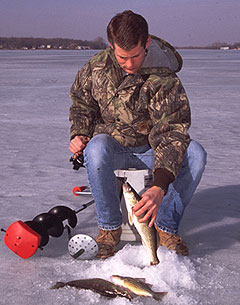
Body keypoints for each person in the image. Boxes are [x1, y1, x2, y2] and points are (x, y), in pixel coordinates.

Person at [68, 10, 207, 259]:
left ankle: (165, 228)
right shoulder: (96, 67)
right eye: (123, 57)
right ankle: (109, 229)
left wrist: (159, 185)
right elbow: (82, 104)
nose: (130, 64)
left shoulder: (164, 78)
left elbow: (171, 131)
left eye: (135, 56)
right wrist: (79, 134)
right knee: (96, 147)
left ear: (147, 44)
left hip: (152, 151)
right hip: (114, 148)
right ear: (111, 46)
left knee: (195, 154)